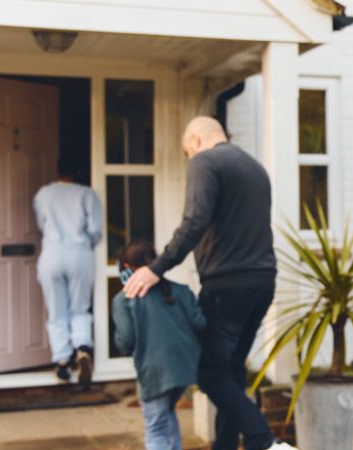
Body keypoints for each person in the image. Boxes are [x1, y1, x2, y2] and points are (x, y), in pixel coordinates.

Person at [122, 117, 295, 450]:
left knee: (210, 374)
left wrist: (156, 268)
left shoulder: (205, 161)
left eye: (188, 152)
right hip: (262, 281)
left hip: (227, 285)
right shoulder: (255, 168)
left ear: (196, 140)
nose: (190, 159)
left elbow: (194, 221)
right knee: (230, 373)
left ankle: (266, 443)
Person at [113, 241, 206, 450]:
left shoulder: (125, 299)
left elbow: (126, 341)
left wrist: (119, 344)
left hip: (154, 370)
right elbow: (201, 323)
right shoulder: (180, 290)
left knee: (155, 428)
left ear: (127, 268)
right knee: (167, 413)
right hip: (184, 367)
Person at [34, 157, 103, 386]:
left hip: (52, 253)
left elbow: (41, 223)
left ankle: (62, 360)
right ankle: (82, 347)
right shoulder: (87, 194)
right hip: (79, 252)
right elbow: (95, 229)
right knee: (80, 307)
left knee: (57, 310)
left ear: (58, 171)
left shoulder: (44, 194)